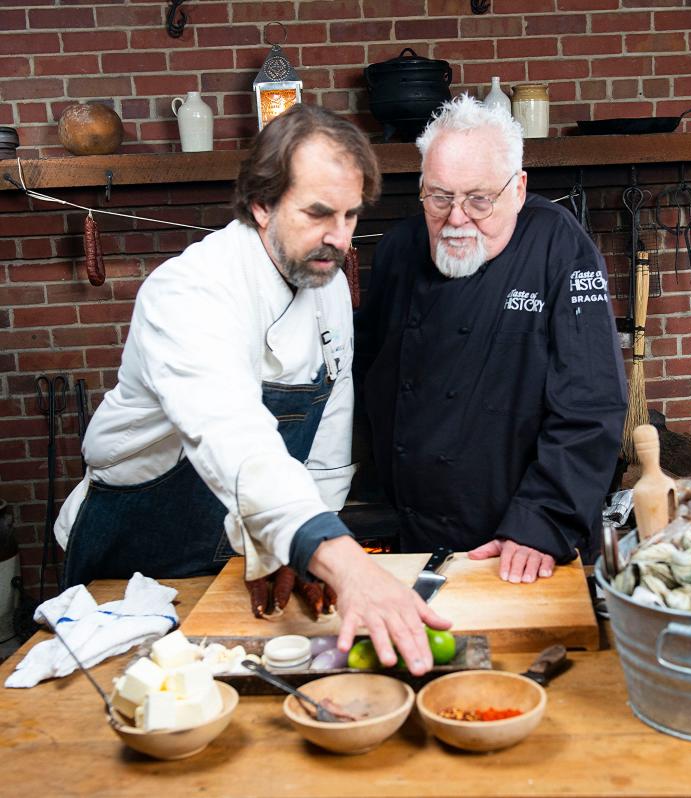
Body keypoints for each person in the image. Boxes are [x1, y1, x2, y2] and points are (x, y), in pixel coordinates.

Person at [54, 104, 449, 674]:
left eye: (350, 216)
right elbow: (231, 430)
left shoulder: (326, 280)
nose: (337, 239)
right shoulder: (190, 291)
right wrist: (341, 558)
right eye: (318, 214)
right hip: (136, 550)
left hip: (245, 534)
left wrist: (294, 548)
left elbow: (330, 432)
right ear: (262, 204)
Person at [354, 95, 626, 585]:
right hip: (414, 536)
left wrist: (543, 519)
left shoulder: (559, 247)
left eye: (479, 200)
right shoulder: (397, 252)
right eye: (439, 197)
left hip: (521, 544)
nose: (457, 218)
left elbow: (591, 401)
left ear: (518, 189)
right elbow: (367, 377)